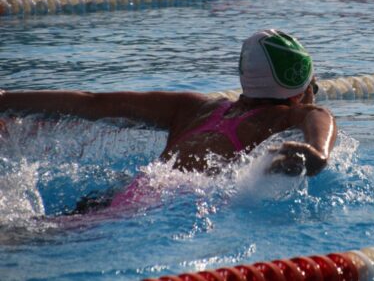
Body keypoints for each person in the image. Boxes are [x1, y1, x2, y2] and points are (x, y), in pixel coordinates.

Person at [0, 29, 337, 214]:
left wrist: (5, 100)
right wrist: (318, 151)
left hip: (120, 193)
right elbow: (318, 116)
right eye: (313, 86)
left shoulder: (194, 107)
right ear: (298, 90)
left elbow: (92, 103)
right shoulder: (283, 116)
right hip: (153, 209)